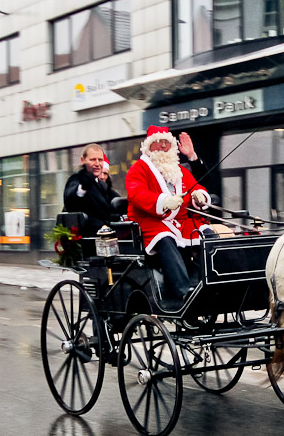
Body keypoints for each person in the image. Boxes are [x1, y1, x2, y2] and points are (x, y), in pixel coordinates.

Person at [125, 125, 213, 303]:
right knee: (166, 238)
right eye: (158, 142)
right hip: (151, 221)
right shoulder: (138, 169)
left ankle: (209, 282)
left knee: (207, 233)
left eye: (166, 142)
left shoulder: (180, 170)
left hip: (179, 222)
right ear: (149, 147)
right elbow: (137, 193)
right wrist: (163, 201)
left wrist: (199, 196)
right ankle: (183, 290)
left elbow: (197, 187)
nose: (163, 146)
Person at [63, 144, 121, 236]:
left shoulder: (101, 185)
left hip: (105, 236)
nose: (97, 164)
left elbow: (114, 203)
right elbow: (71, 200)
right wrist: (82, 188)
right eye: (93, 160)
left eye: (100, 160)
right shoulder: (76, 179)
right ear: (83, 161)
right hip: (88, 238)